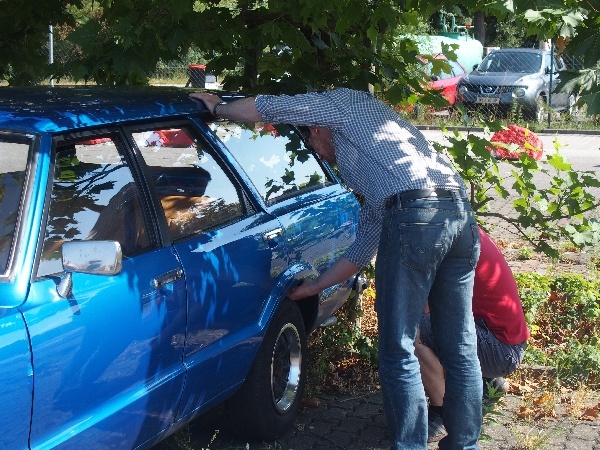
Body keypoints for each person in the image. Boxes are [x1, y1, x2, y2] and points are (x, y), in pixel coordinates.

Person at [189, 88, 482, 449]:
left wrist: (220, 108)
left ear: (316, 127)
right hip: (459, 215)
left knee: (398, 346)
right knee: (460, 344)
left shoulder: (342, 104)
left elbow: (273, 105)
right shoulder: (379, 169)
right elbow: (361, 249)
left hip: (417, 217)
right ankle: (466, 444)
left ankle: (410, 445)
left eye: (313, 146)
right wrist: (314, 288)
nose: (320, 155)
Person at [416, 227, 530, 443]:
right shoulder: (464, 228)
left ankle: (444, 413)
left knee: (413, 334)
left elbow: (427, 309)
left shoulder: (441, 240)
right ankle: (488, 383)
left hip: (500, 349)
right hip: (508, 342)